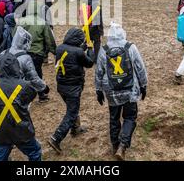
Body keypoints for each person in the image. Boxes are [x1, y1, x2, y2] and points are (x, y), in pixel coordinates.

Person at [95, 23, 148, 161]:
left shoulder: (103, 49)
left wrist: (98, 89)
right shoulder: (130, 47)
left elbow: (99, 71)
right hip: (129, 90)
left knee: (114, 118)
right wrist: (143, 85)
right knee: (130, 117)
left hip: (111, 90)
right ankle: (123, 145)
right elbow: (140, 67)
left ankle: (115, 145)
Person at [0, 51, 42, 161]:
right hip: (22, 130)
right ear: (16, 66)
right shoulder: (25, 85)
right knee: (35, 152)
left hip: (0, 132)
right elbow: (31, 95)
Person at [48, 28, 95, 154]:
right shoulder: (78, 52)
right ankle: (56, 138)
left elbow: (74, 54)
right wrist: (90, 49)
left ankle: (75, 128)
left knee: (72, 108)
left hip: (61, 86)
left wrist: (83, 47)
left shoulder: (60, 48)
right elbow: (89, 63)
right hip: (73, 87)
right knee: (71, 113)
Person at [16, 3, 56, 103]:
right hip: (37, 52)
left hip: (22, 52)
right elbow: (49, 39)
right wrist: (55, 51)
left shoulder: (21, 21)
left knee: (23, 74)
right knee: (37, 74)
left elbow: (15, 36)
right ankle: (41, 94)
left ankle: (22, 96)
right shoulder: (42, 22)